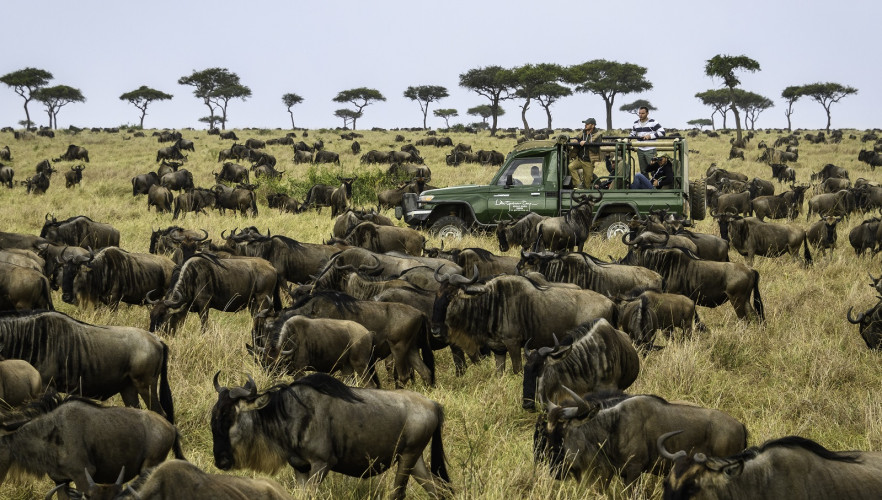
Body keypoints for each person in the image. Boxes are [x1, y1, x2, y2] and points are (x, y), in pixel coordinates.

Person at [567, 118, 604, 188]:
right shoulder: (583, 132)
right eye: (585, 124)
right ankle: (578, 185)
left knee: (587, 183)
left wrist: (586, 143)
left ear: (593, 126)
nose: (585, 125)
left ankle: (586, 194)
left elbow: (596, 149)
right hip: (580, 159)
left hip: (588, 161)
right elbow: (577, 138)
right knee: (571, 167)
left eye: (587, 124)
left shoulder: (598, 135)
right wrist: (575, 140)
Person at [629, 107, 665, 175]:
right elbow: (633, 133)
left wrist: (650, 136)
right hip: (640, 149)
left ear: (647, 113)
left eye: (643, 113)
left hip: (650, 149)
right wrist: (628, 138)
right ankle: (645, 185)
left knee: (653, 170)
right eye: (639, 113)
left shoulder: (653, 122)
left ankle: (654, 185)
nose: (640, 115)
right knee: (643, 171)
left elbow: (662, 132)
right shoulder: (636, 123)